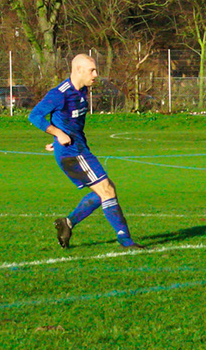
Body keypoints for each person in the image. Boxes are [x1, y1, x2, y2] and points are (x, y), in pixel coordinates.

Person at [29, 53, 143, 250]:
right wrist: (57, 134)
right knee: (106, 188)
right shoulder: (60, 93)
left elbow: (70, 123)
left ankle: (68, 222)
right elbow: (34, 116)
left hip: (78, 148)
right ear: (78, 70)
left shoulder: (82, 92)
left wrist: (57, 139)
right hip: (72, 153)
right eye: (92, 70)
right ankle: (125, 240)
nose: (96, 74)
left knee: (104, 191)